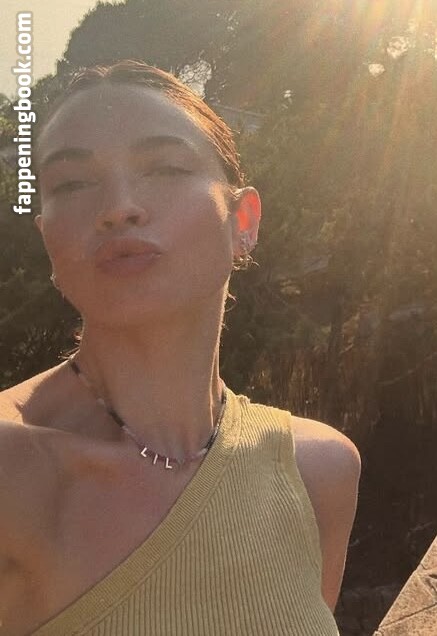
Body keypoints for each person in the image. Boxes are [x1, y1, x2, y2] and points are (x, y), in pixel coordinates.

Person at [0, 59, 360, 636]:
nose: (118, 207)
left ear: (243, 221)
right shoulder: (11, 474)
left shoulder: (319, 471)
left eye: (165, 167)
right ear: (48, 236)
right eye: (71, 183)